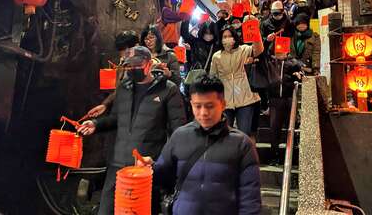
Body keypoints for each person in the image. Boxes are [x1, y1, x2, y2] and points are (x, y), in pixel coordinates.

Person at [78, 46, 186, 215]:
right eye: (129, 66)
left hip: (144, 168)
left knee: (138, 211)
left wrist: (163, 163)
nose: (133, 69)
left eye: (137, 65)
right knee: (106, 210)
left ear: (149, 64)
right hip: (118, 165)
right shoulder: (124, 88)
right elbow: (116, 119)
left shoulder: (168, 90)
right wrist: (96, 124)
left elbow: (178, 132)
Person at [137, 74, 262, 215]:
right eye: (198, 106)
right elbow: (163, 178)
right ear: (191, 105)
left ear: (223, 105)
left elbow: (250, 199)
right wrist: (149, 168)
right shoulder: (179, 136)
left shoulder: (242, 144)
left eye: (210, 106)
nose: (203, 113)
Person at [210, 26, 263, 136]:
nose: (227, 39)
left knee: (244, 133)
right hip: (225, 100)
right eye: (224, 37)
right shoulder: (217, 56)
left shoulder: (244, 49)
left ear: (235, 37)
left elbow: (258, 49)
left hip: (245, 98)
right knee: (225, 133)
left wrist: (254, 30)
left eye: (230, 36)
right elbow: (213, 76)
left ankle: (243, 152)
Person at [86, 30, 139, 118]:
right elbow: (117, 90)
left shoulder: (147, 65)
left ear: (137, 46)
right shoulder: (122, 65)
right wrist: (104, 105)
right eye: (120, 50)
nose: (122, 54)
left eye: (125, 50)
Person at [267, 53, 303, 164]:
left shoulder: (292, 63)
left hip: (289, 99)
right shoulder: (270, 63)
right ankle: (274, 156)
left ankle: (293, 156)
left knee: (291, 127)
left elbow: (301, 69)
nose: (279, 52)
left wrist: (298, 73)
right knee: (274, 129)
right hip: (275, 99)